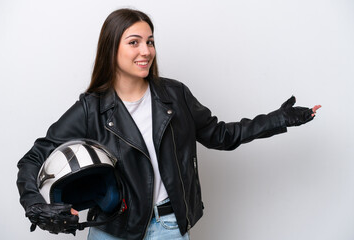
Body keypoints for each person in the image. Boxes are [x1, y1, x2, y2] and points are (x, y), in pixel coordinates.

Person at [17, 8, 321, 240]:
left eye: (149, 41)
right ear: (112, 49)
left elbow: (221, 135)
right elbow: (34, 157)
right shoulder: (90, 108)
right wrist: (35, 204)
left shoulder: (175, 95)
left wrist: (279, 119)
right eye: (134, 42)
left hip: (169, 227)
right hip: (113, 229)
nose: (146, 51)